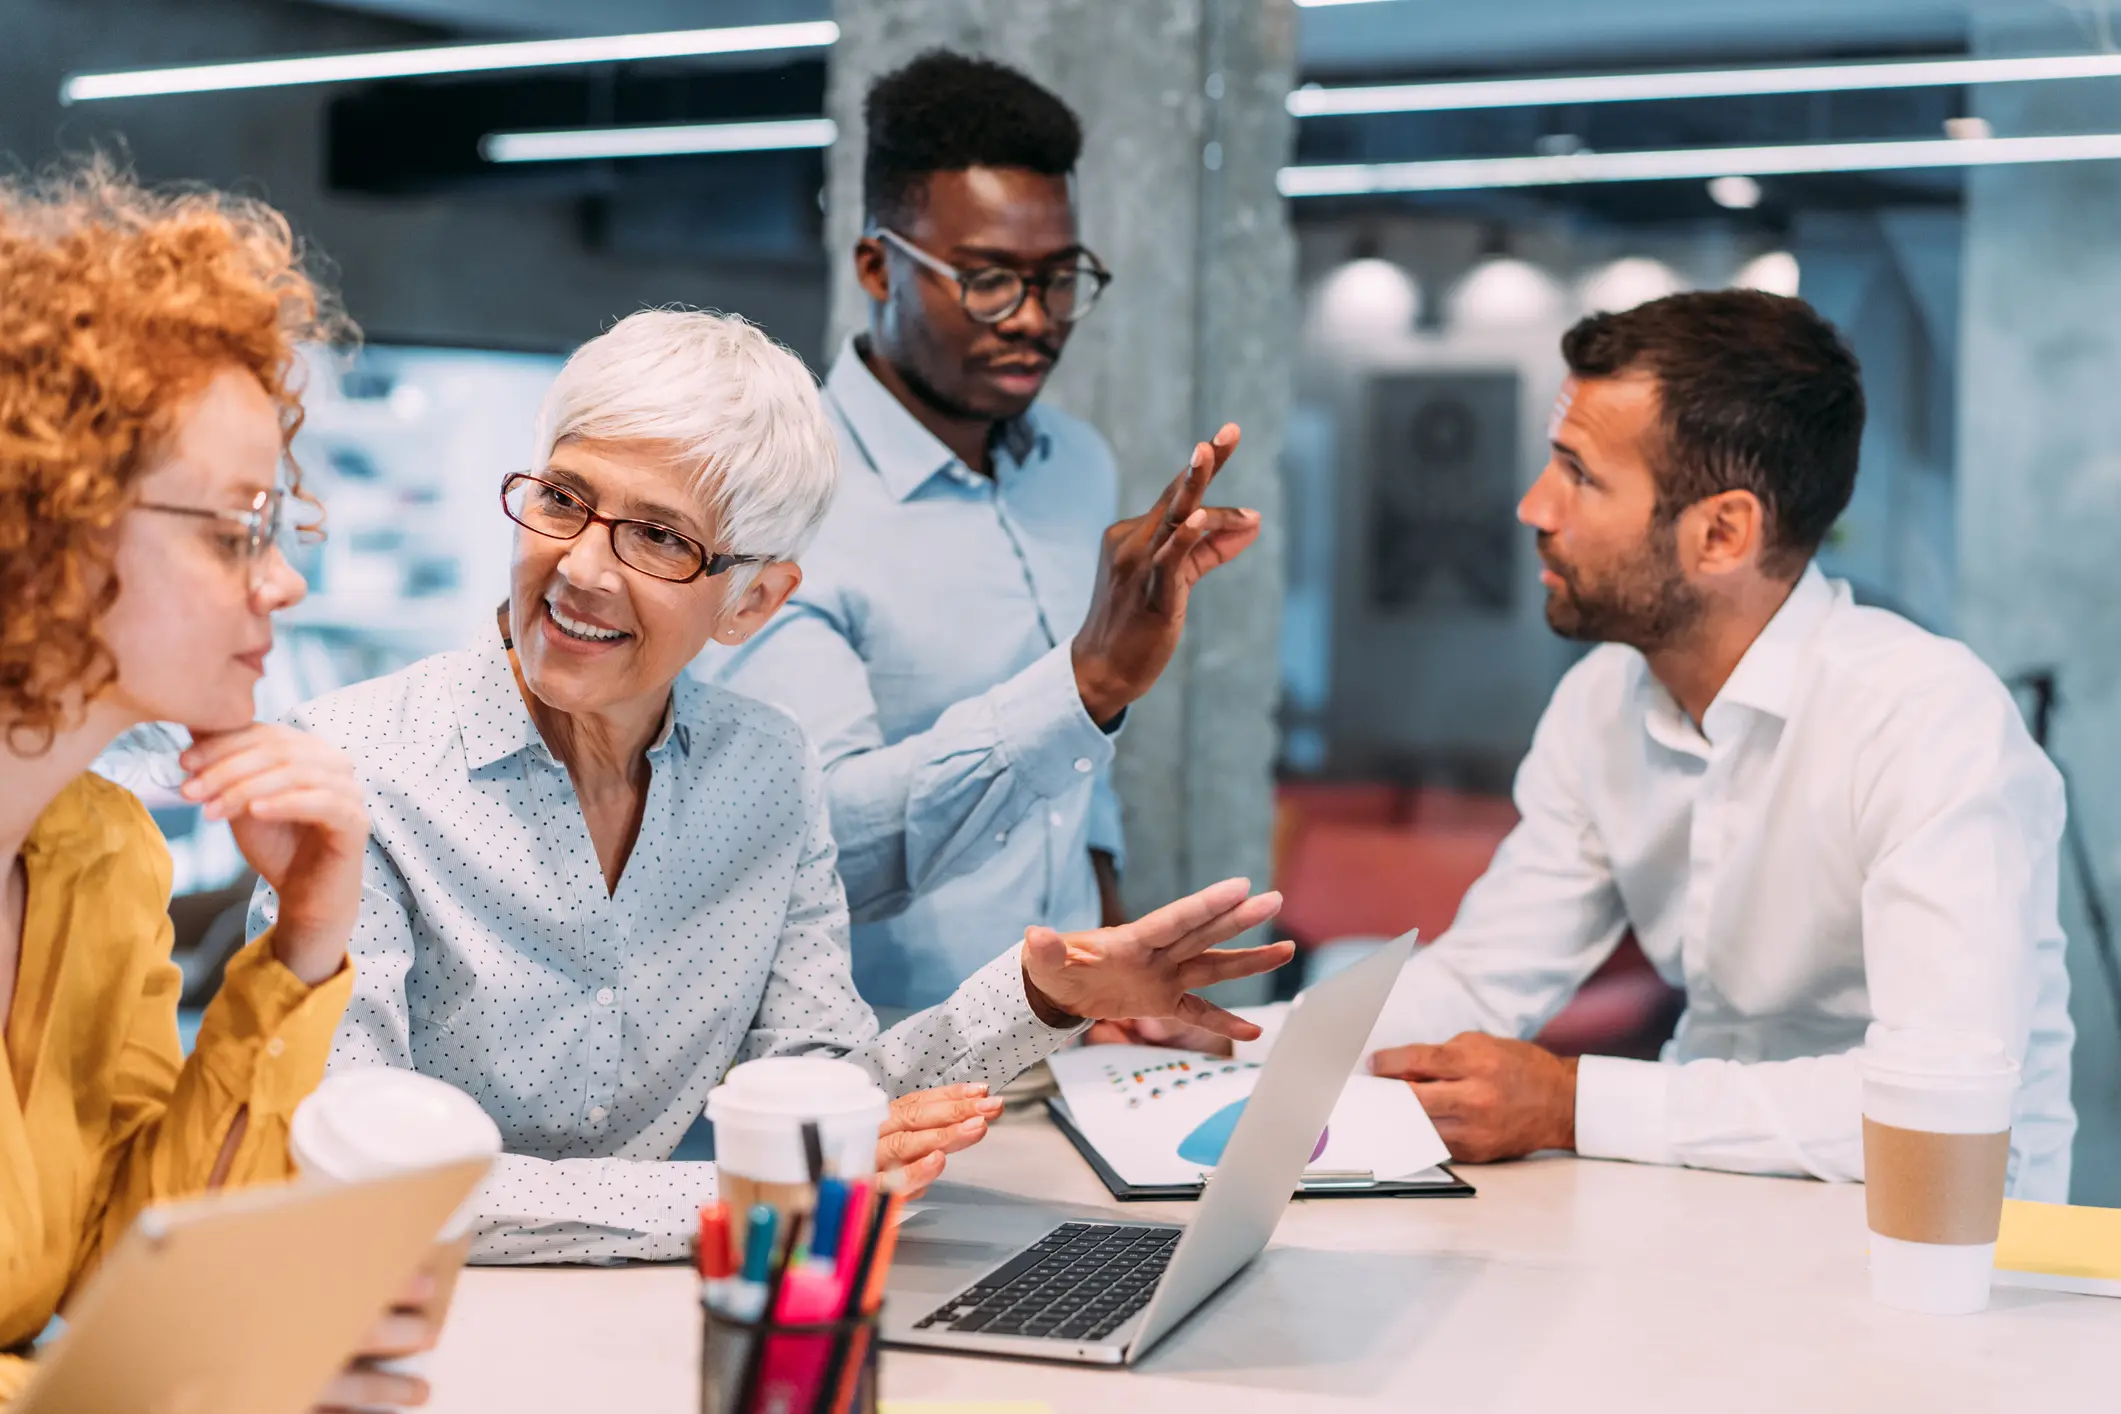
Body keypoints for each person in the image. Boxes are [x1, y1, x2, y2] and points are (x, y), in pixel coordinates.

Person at [251, 307, 1289, 1264]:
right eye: (563, 500)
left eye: (659, 537)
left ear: (753, 602)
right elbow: (359, 1171)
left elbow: (829, 1104)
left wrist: (1040, 999)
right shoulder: (354, 770)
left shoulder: (768, 770)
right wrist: (740, 1205)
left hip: (662, 1327)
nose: (580, 568)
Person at [1230, 291, 2073, 1198]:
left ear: (1721, 534)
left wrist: (1569, 1102)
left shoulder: (1927, 720)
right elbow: (1483, 978)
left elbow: (1936, 1098)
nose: (1531, 508)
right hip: (1705, 1205)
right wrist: (1223, 1049)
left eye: (1579, 476)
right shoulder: (1600, 702)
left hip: (1937, 1249)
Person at [0, 161, 434, 1411]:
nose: (281, 583)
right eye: (233, 529)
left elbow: (116, 1261)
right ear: (47, 526)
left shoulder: (103, 855)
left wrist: (302, 941)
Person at [700, 50, 1260, 1012]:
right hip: (888, 1075)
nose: (1034, 320)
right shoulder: (783, 497)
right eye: (991, 279)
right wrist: (1085, 684)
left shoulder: (1075, 465)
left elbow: (1080, 785)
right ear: (877, 264)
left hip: (1069, 1043)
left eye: (1058, 278)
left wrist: (1113, 974)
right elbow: (812, 843)